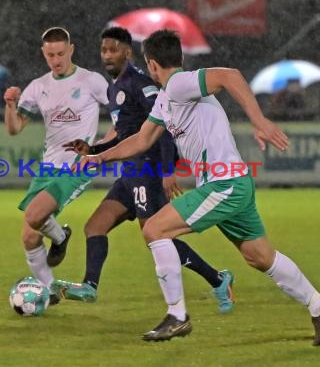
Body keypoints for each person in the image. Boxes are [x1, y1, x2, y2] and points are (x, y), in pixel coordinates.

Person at [78, 30, 320, 345]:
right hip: (231, 184)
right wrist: (101, 156)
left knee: (155, 230)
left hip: (223, 184)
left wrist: (259, 120)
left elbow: (230, 76)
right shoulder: (166, 98)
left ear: (151, 64)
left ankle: (177, 316)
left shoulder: (179, 83)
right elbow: (142, 139)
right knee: (260, 257)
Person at [60, 27, 235, 313]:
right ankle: (90, 287)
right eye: (104, 50)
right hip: (129, 174)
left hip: (148, 170)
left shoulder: (140, 83)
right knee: (95, 226)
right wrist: (93, 151)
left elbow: (163, 127)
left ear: (127, 52)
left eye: (113, 50)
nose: (107, 55)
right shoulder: (114, 87)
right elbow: (126, 132)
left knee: (156, 236)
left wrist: (168, 170)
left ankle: (217, 279)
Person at [3, 27, 109, 304]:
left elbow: (124, 117)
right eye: (50, 55)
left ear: (71, 49)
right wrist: (11, 105)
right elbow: (15, 129)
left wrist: (98, 149)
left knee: (35, 215)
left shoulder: (92, 81)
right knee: (28, 236)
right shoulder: (38, 86)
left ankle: (60, 237)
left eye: (61, 53)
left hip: (78, 167)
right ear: (43, 54)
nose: (56, 59)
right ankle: (50, 290)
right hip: (48, 168)